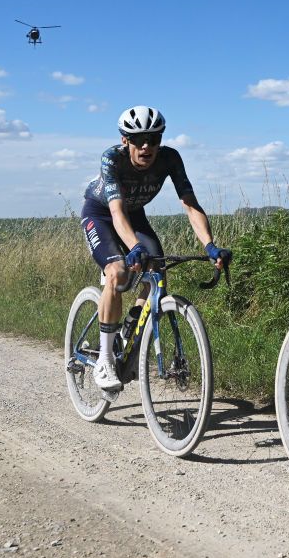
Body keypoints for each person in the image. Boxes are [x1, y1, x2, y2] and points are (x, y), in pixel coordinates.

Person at [81, 105, 230, 392]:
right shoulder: (112, 158)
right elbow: (116, 211)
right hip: (102, 214)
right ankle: (104, 358)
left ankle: (132, 326)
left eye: (154, 138)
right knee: (117, 271)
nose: (147, 145)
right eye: (138, 139)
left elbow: (190, 204)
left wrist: (210, 246)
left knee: (158, 269)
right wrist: (134, 246)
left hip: (134, 216)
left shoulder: (170, 158)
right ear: (125, 141)